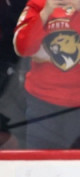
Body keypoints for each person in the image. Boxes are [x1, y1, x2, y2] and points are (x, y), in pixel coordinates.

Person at [13, 0, 80, 149]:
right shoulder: (38, 4)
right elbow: (22, 48)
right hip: (42, 104)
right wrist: (45, 12)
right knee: (41, 167)